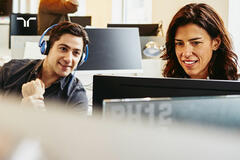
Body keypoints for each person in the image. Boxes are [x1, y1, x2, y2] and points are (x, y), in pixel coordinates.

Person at [0, 21, 89, 113]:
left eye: (76, 53)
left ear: (81, 58)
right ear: (47, 48)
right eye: (63, 49)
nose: (69, 59)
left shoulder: (76, 97)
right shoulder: (10, 70)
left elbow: (68, 128)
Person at [161, 3, 238, 80]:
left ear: (216, 43)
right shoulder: (165, 87)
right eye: (179, 43)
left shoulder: (234, 87)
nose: (186, 53)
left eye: (196, 43)